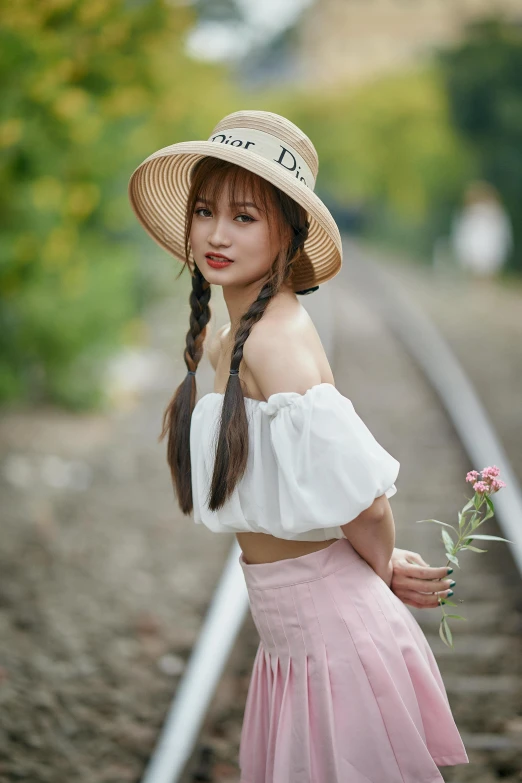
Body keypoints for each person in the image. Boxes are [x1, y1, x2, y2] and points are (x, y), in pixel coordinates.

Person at [129, 110, 468, 782]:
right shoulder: (236, 338)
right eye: (204, 211)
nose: (217, 234)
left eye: (245, 217)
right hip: (297, 640)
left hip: (332, 639)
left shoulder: (276, 341)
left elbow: (364, 502)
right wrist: (370, 558)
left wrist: (377, 562)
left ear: (288, 231)